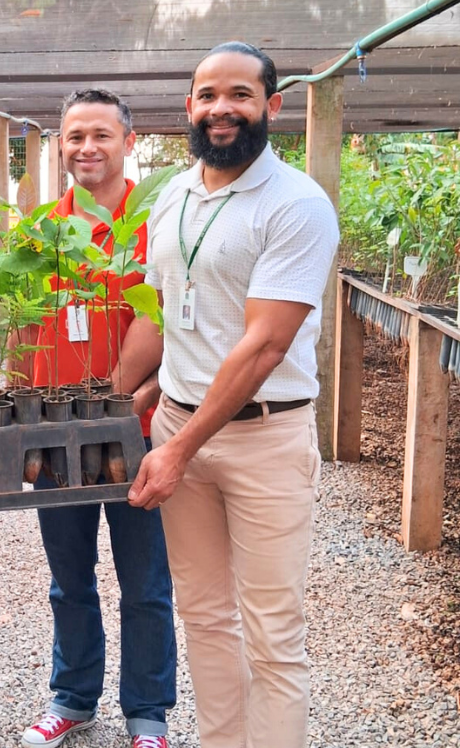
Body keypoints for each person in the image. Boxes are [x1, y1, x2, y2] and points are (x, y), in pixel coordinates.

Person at [120, 42, 339, 748]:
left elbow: (263, 346)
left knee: (273, 631)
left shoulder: (297, 204)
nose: (222, 108)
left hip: (262, 438)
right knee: (206, 616)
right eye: (208, 94)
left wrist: (179, 447)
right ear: (189, 106)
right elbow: (168, 316)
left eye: (240, 94)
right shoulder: (171, 197)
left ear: (272, 106)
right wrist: (133, 396)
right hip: (179, 429)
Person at [20, 89, 176, 748]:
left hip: (140, 432)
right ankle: (73, 696)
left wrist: (137, 393)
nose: (87, 147)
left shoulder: (161, 222)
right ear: (60, 144)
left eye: (101, 135)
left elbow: (176, 322)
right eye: (75, 135)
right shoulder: (39, 232)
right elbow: (18, 330)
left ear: (129, 142)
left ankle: (148, 710)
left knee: (145, 582)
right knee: (69, 578)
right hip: (57, 435)